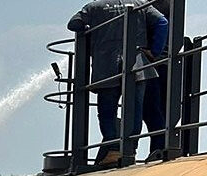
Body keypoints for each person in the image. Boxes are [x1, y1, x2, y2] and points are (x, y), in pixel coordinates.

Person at [68, 0, 168, 166]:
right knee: (135, 110)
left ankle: (113, 150)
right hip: (137, 65)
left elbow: (74, 23)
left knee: (107, 112)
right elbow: (162, 22)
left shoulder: (94, 7)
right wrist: (154, 51)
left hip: (106, 64)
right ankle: (131, 149)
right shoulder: (140, 3)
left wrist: (88, 30)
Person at [142, 0, 170, 160]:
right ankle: (160, 148)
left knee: (150, 109)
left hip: (154, 62)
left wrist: (153, 52)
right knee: (160, 110)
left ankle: (158, 148)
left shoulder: (154, 5)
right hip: (165, 62)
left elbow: (161, 22)